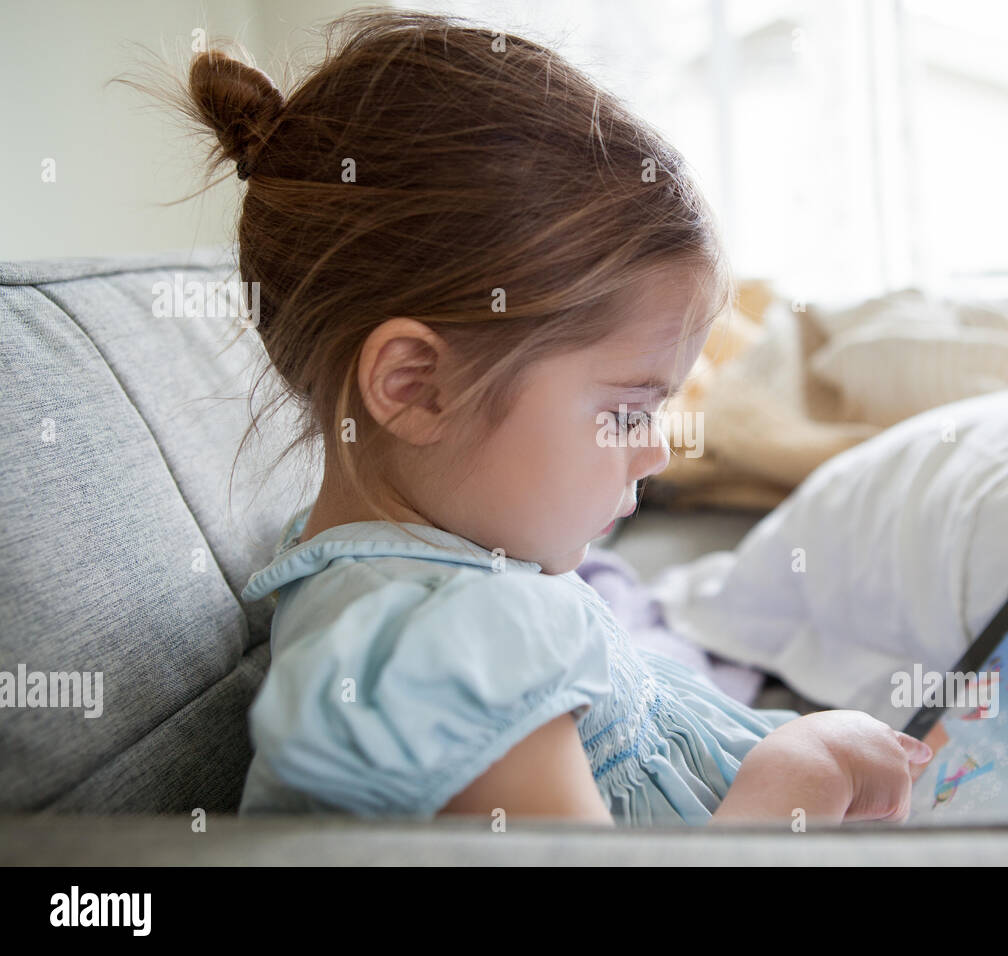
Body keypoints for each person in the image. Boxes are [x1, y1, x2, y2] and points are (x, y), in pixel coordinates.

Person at [165, 8, 930, 827]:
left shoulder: (448, 572)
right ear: (418, 387)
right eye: (629, 410)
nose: (659, 453)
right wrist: (797, 783)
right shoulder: (443, 650)